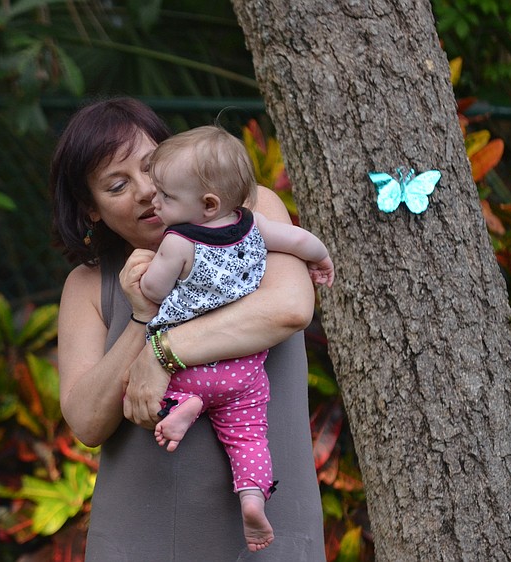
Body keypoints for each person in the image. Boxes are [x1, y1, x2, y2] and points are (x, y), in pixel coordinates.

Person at [50, 97, 327, 561]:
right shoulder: (87, 285)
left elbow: (289, 309)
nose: (144, 191)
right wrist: (141, 316)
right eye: (117, 185)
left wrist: (163, 352)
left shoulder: (251, 213)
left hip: (268, 533)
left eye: (151, 167)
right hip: (138, 538)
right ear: (91, 208)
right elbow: (86, 421)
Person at [137, 125, 334, 552]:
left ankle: (181, 407)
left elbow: (153, 290)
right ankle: (251, 496)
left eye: (165, 197)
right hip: (244, 368)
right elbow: (300, 240)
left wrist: (144, 275)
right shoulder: (253, 225)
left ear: (207, 204)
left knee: (142, 392)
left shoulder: (177, 242)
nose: (154, 202)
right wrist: (320, 261)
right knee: (248, 438)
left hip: (188, 368)